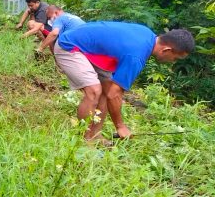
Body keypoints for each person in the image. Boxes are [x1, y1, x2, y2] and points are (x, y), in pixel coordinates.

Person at [55, 23, 194, 140]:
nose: (172, 62)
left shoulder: (147, 34)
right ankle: (84, 140)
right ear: (167, 50)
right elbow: (114, 95)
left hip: (90, 50)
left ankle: (94, 136)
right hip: (68, 46)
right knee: (94, 91)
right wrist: (120, 126)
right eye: (175, 58)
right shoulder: (136, 56)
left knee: (104, 90)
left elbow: (111, 91)